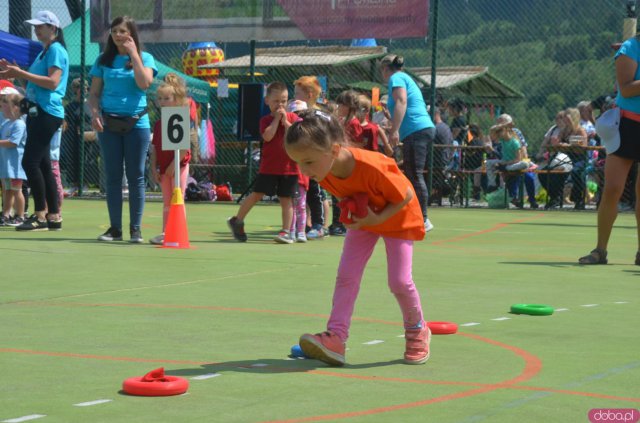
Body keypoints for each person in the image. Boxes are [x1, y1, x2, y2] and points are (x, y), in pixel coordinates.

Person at [284, 109, 429, 366]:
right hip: (366, 219)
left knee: (399, 281)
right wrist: (353, 208)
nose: (303, 171)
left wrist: (375, 219)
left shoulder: (371, 165)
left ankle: (417, 330)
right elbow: (346, 192)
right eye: (298, 163)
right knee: (347, 276)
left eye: (307, 162)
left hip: (398, 217)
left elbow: (405, 195)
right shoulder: (324, 171)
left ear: (334, 149)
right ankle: (336, 338)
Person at [88, 16, 157, 243]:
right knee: (113, 176)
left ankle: (135, 230)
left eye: (123, 31)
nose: (118, 35)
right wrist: (95, 114)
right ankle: (115, 229)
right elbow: (94, 93)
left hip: (137, 124)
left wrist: (134, 55)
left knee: (137, 175)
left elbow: (144, 83)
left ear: (132, 34)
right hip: (109, 124)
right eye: (115, 31)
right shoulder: (102, 60)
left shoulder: (145, 58)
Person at [0, 10, 68, 231]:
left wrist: (22, 72)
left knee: (30, 162)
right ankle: (54, 216)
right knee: (44, 165)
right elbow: (33, 88)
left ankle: (39, 215)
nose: (37, 29)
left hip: (47, 112)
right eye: (36, 26)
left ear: (53, 29)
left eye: (41, 26)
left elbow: (53, 83)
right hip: (38, 111)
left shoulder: (56, 50)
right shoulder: (43, 52)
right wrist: (15, 74)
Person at [579, 36, 640, 264]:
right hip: (627, 126)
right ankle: (600, 250)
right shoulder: (630, 48)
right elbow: (625, 89)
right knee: (613, 188)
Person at [227, 81, 299, 244]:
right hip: (269, 167)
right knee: (257, 194)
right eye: (276, 101)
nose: (280, 105)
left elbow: (294, 136)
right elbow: (267, 136)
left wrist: (285, 122)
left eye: (284, 101)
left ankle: (286, 231)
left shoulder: (293, 118)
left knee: (286, 199)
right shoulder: (265, 120)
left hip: (290, 168)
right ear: (267, 101)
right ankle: (237, 221)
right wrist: (275, 121)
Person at [380, 54, 436, 232]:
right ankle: (419, 216)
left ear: (385, 69)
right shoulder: (404, 77)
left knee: (414, 174)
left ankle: (423, 219)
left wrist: (395, 130)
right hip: (419, 129)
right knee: (413, 173)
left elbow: (402, 101)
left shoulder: (396, 78)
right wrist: (393, 121)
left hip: (416, 130)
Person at [148, 73, 192, 245]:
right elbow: (155, 148)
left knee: (178, 197)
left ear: (177, 98)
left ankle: (179, 231)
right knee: (166, 201)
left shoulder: (181, 118)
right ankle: (165, 232)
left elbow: (183, 148)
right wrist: (154, 168)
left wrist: (174, 166)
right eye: (160, 98)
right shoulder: (159, 124)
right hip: (164, 168)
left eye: (167, 98)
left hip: (178, 166)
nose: (162, 102)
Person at [293, 75, 326, 240]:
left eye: (297, 93)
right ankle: (301, 225)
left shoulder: (318, 114)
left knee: (315, 191)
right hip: (301, 158)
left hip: (315, 158)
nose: (294, 97)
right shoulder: (295, 112)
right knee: (300, 193)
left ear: (309, 95)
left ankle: (319, 225)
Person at [0, 89, 27, 226]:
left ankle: (20, 215)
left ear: (16, 107)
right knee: (7, 191)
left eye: (5, 103)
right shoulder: (5, 123)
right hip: (5, 164)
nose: (2, 106)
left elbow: (13, 142)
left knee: (17, 191)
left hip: (15, 165)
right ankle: (5, 214)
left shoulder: (19, 124)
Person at [558, 108, 588, 209]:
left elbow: (583, 145)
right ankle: (555, 198)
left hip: (579, 158)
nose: (565, 118)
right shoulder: (564, 130)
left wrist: (569, 145)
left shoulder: (580, 130)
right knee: (550, 169)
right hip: (566, 157)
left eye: (568, 116)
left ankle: (578, 199)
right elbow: (558, 142)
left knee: (576, 171)